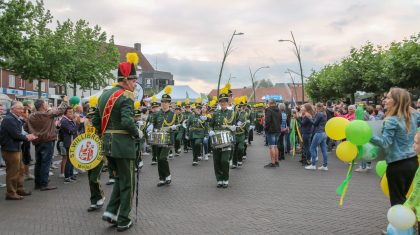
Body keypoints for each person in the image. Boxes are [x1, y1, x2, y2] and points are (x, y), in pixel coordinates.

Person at [93, 53, 139, 231]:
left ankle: (111, 212)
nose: (135, 85)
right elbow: (127, 122)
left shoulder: (104, 95)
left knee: (119, 179)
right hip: (123, 145)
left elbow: (96, 121)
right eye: (134, 81)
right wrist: (137, 133)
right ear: (126, 79)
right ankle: (124, 219)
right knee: (128, 183)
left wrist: (104, 137)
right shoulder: (126, 95)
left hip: (108, 145)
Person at [370, 87, 420, 207]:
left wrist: (368, 136)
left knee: (397, 201)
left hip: (397, 165)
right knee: (406, 200)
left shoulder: (391, 120)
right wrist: (405, 104)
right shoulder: (412, 116)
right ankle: (408, 224)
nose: (384, 100)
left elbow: (385, 143)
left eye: (388, 97)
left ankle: (400, 225)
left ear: (396, 101)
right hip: (413, 162)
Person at [28, 97, 69, 191]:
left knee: (38, 162)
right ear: (42, 106)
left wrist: (34, 133)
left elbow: (26, 127)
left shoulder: (31, 116)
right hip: (48, 140)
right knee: (46, 162)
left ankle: (38, 183)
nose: (47, 104)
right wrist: (65, 101)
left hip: (37, 140)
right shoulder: (47, 115)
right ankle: (44, 184)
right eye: (46, 103)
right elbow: (61, 110)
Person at [0, 101, 37, 200]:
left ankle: (19, 189)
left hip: (15, 148)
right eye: (19, 108)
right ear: (12, 109)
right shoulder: (9, 119)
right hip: (10, 149)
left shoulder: (14, 118)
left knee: (20, 170)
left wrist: (27, 135)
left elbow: (19, 132)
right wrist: (27, 137)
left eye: (22, 108)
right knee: (13, 172)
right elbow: (16, 135)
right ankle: (11, 193)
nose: (22, 110)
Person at [147, 86, 176, 187]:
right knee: (159, 159)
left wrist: (174, 127)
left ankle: (167, 175)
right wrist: (150, 126)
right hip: (158, 139)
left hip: (167, 139)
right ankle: (162, 178)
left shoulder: (173, 115)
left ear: (169, 103)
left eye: (166, 102)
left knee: (163, 158)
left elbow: (177, 126)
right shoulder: (157, 114)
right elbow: (152, 122)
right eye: (162, 101)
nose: (164, 103)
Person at [209, 88, 236, 188]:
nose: (223, 103)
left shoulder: (232, 113)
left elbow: (236, 125)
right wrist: (210, 131)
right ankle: (219, 179)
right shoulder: (216, 113)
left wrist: (234, 128)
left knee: (224, 160)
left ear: (227, 102)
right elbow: (211, 125)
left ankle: (225, 178)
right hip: (216, 139)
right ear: (219, 103)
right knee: (217, 160)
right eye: (221, 101)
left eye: (225, 101)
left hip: (227, 139)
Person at [85, 98, 105, 212]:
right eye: (89, 117)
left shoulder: (102, 128)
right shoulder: (86, 127)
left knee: (94, 179)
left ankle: (101, 197)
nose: (91, 119)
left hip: (99, 155)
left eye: (93, 116)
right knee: (90, 178)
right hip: (89, 156)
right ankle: (94, 201)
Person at [305, 103, 329, 171]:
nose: (315, 108)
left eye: (315, 107)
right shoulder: (324, 114)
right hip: (324, 133)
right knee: (324, 150)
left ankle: (313, 165)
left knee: (312, 148)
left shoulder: (319, 114)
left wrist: (309, 118)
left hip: (319, 133)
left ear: (318, 107)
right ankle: (325, 165)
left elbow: (314, 123)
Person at [59, 107, 78, 183]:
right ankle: (67, 177)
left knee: (72, 159)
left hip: (72, 142)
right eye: (70, 112)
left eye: (72, 112)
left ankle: (71, 174)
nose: (72, 113)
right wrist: (76, 123)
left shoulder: (69, 120)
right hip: (69, 142)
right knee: (69, 160)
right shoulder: (64, 121)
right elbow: (72, 131)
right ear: (65, 113)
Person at [187, 98, 208, 166]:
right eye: (197, 108)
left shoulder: (203, 117)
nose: (198, 109)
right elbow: (188, 125)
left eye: (199, 108)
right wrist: (187, 133)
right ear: (195, 108)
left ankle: (199, 153)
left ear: (201, 109)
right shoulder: (191, 116)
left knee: (197, 144)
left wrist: (206, 135)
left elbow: (206, 126)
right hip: (192, 133)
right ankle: (194, 159)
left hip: (200, 133)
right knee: (193, 147)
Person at [263, 99, 281, 168]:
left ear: (270, 103)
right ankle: (277, 161)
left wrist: (266, 129)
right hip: (278, 130)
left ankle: (273, 163)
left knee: (272, 147)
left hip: (271, 131)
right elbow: (281, 120)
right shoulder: (278, 110)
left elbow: (267, 121)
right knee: (276, 146)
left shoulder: (269, 110)